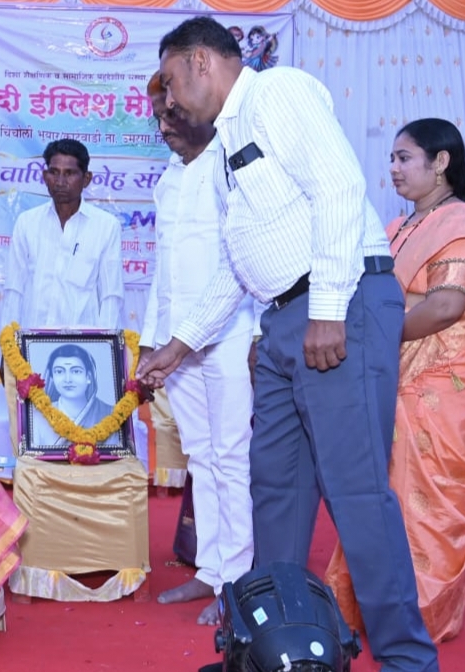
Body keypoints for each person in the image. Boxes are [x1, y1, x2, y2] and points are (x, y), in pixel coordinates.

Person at [140, 17, 439, 671]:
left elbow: (339, 188)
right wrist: (180, 345)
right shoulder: (223, 144)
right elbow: (235, 263)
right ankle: (274, 649)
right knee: (275, 491)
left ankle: (407, 659)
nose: (168, 99)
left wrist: (327, 310)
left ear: (200, 62)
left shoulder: (277, 93)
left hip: (339, 305)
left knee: (357, 493)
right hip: (279, 321)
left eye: (169, 81)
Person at [325, 118, 465, 642]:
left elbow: (447, 305)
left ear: (441, 162)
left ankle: (418, 617)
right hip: (392, 372)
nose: (393, 168)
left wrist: (372, 338)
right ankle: (370, 608)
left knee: (430, 502)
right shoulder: (394, 227)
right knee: (381, 493)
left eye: (404, 158)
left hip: (446, 385)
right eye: (391, 158)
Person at [140, 72, 256, 626]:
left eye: (172, 114)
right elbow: (163, 269)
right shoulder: (168, 177)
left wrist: (252, 335)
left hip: (229, 333)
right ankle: (211, 570)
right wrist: (151, 339)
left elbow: (244, 259)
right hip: (176, 344)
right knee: (201, 457)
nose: (164, 126)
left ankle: (238, 581)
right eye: (158, 118)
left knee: (231, 457)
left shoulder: (230, 165)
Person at [2, 138, 123, 330]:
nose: (60, 182)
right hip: (32, 339)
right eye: (54, 172)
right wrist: (9, 341)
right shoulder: (27, 223)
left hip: (83, 342)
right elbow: (14, 289)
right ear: (45, 176)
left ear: (86, 179)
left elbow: (111, 295)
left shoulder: (106, 226)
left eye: (69, 173)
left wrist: (106, 343)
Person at [29, 344, 121, 447]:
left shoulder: (111, 414)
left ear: (89, 377)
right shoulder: (38, 417)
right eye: (59, 371)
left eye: (76, 371)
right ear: (52, 378)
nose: (68, 379)